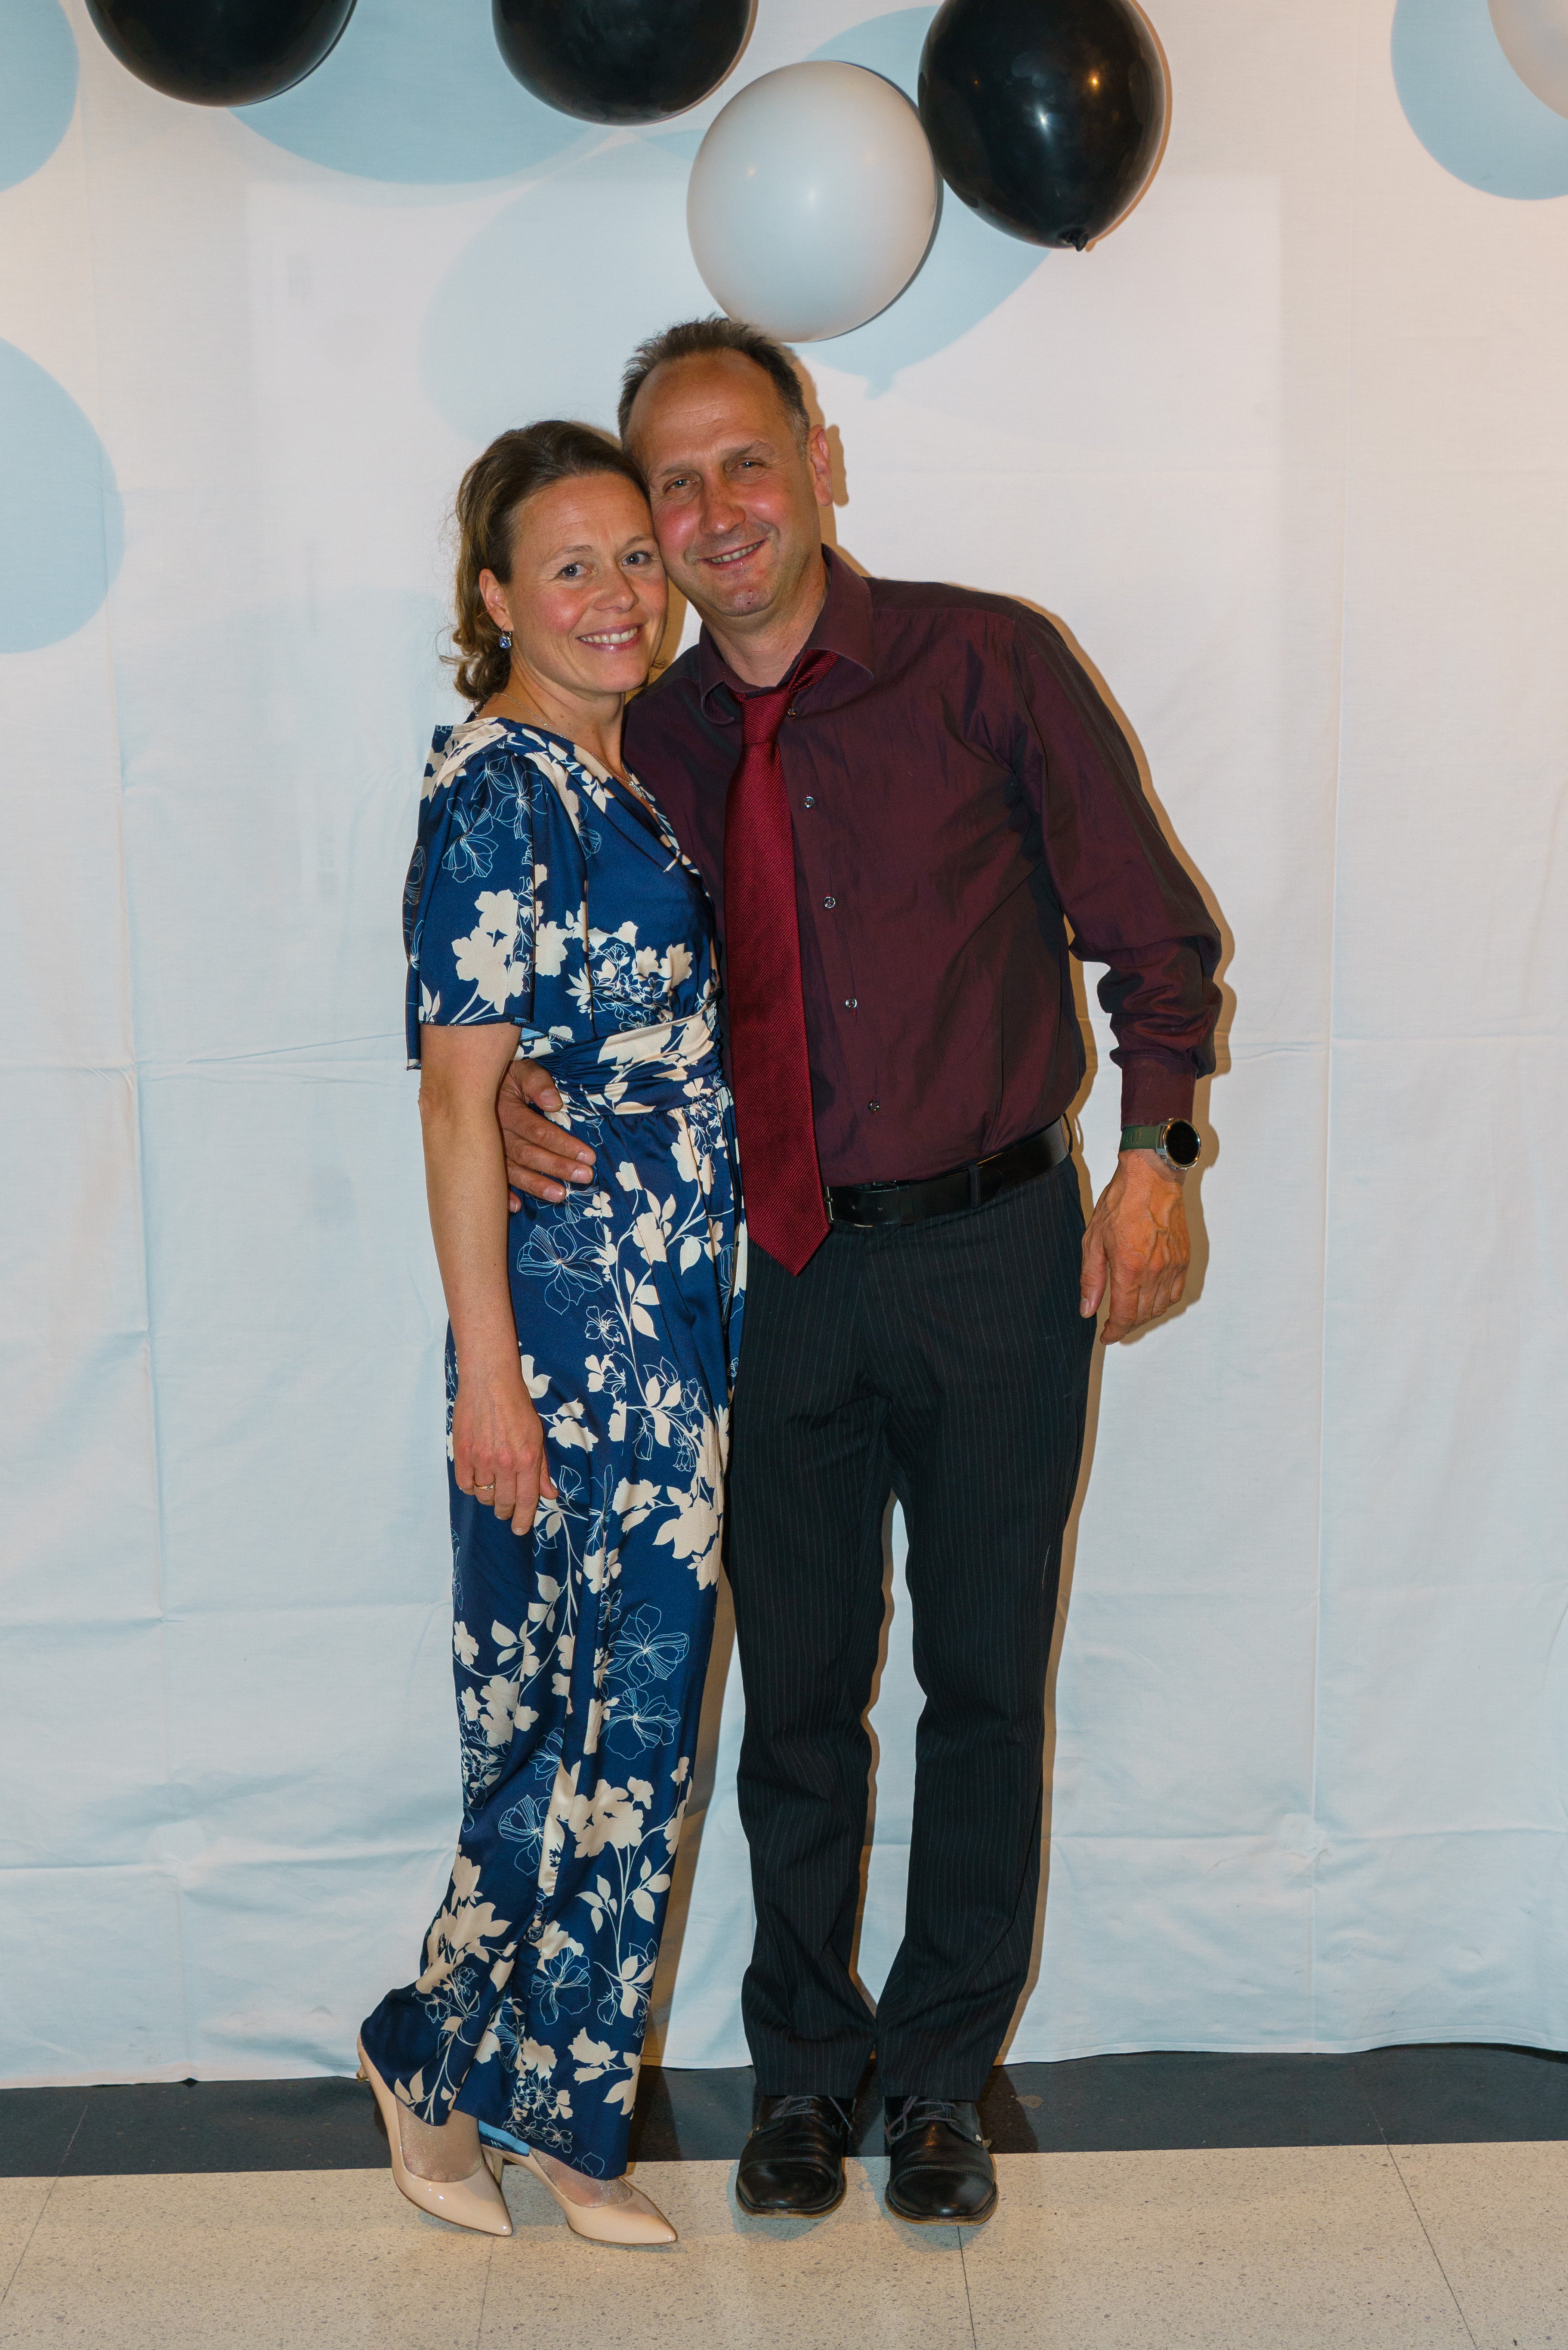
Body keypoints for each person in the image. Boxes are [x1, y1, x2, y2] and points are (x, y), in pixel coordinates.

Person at [499, 320, 1222, 2227]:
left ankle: (942, 2081)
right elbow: (550, 974)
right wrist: (505, 1097)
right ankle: (804, 2078)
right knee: (797, 1700)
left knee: (983, 1683)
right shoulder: (641, 740)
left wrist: (1155, 1155)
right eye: (674, 484)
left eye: (746, 462)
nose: (717, 510)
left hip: (998, 1260)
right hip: (774, 1278)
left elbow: (1152, 937)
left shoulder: (987, 663)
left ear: (819, 465)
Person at [357, 420, 744, 2247]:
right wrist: (492, 1381)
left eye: (633, 558)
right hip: (573, 1341)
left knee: (618, 1726)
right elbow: (457, 1104)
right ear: (495, 596)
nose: (615, 595)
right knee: (572, 1723)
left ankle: (542, 2098)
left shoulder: (618, 775)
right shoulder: (501, 792)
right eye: (569, 566)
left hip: (663, 1321)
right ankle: (450, 2066)